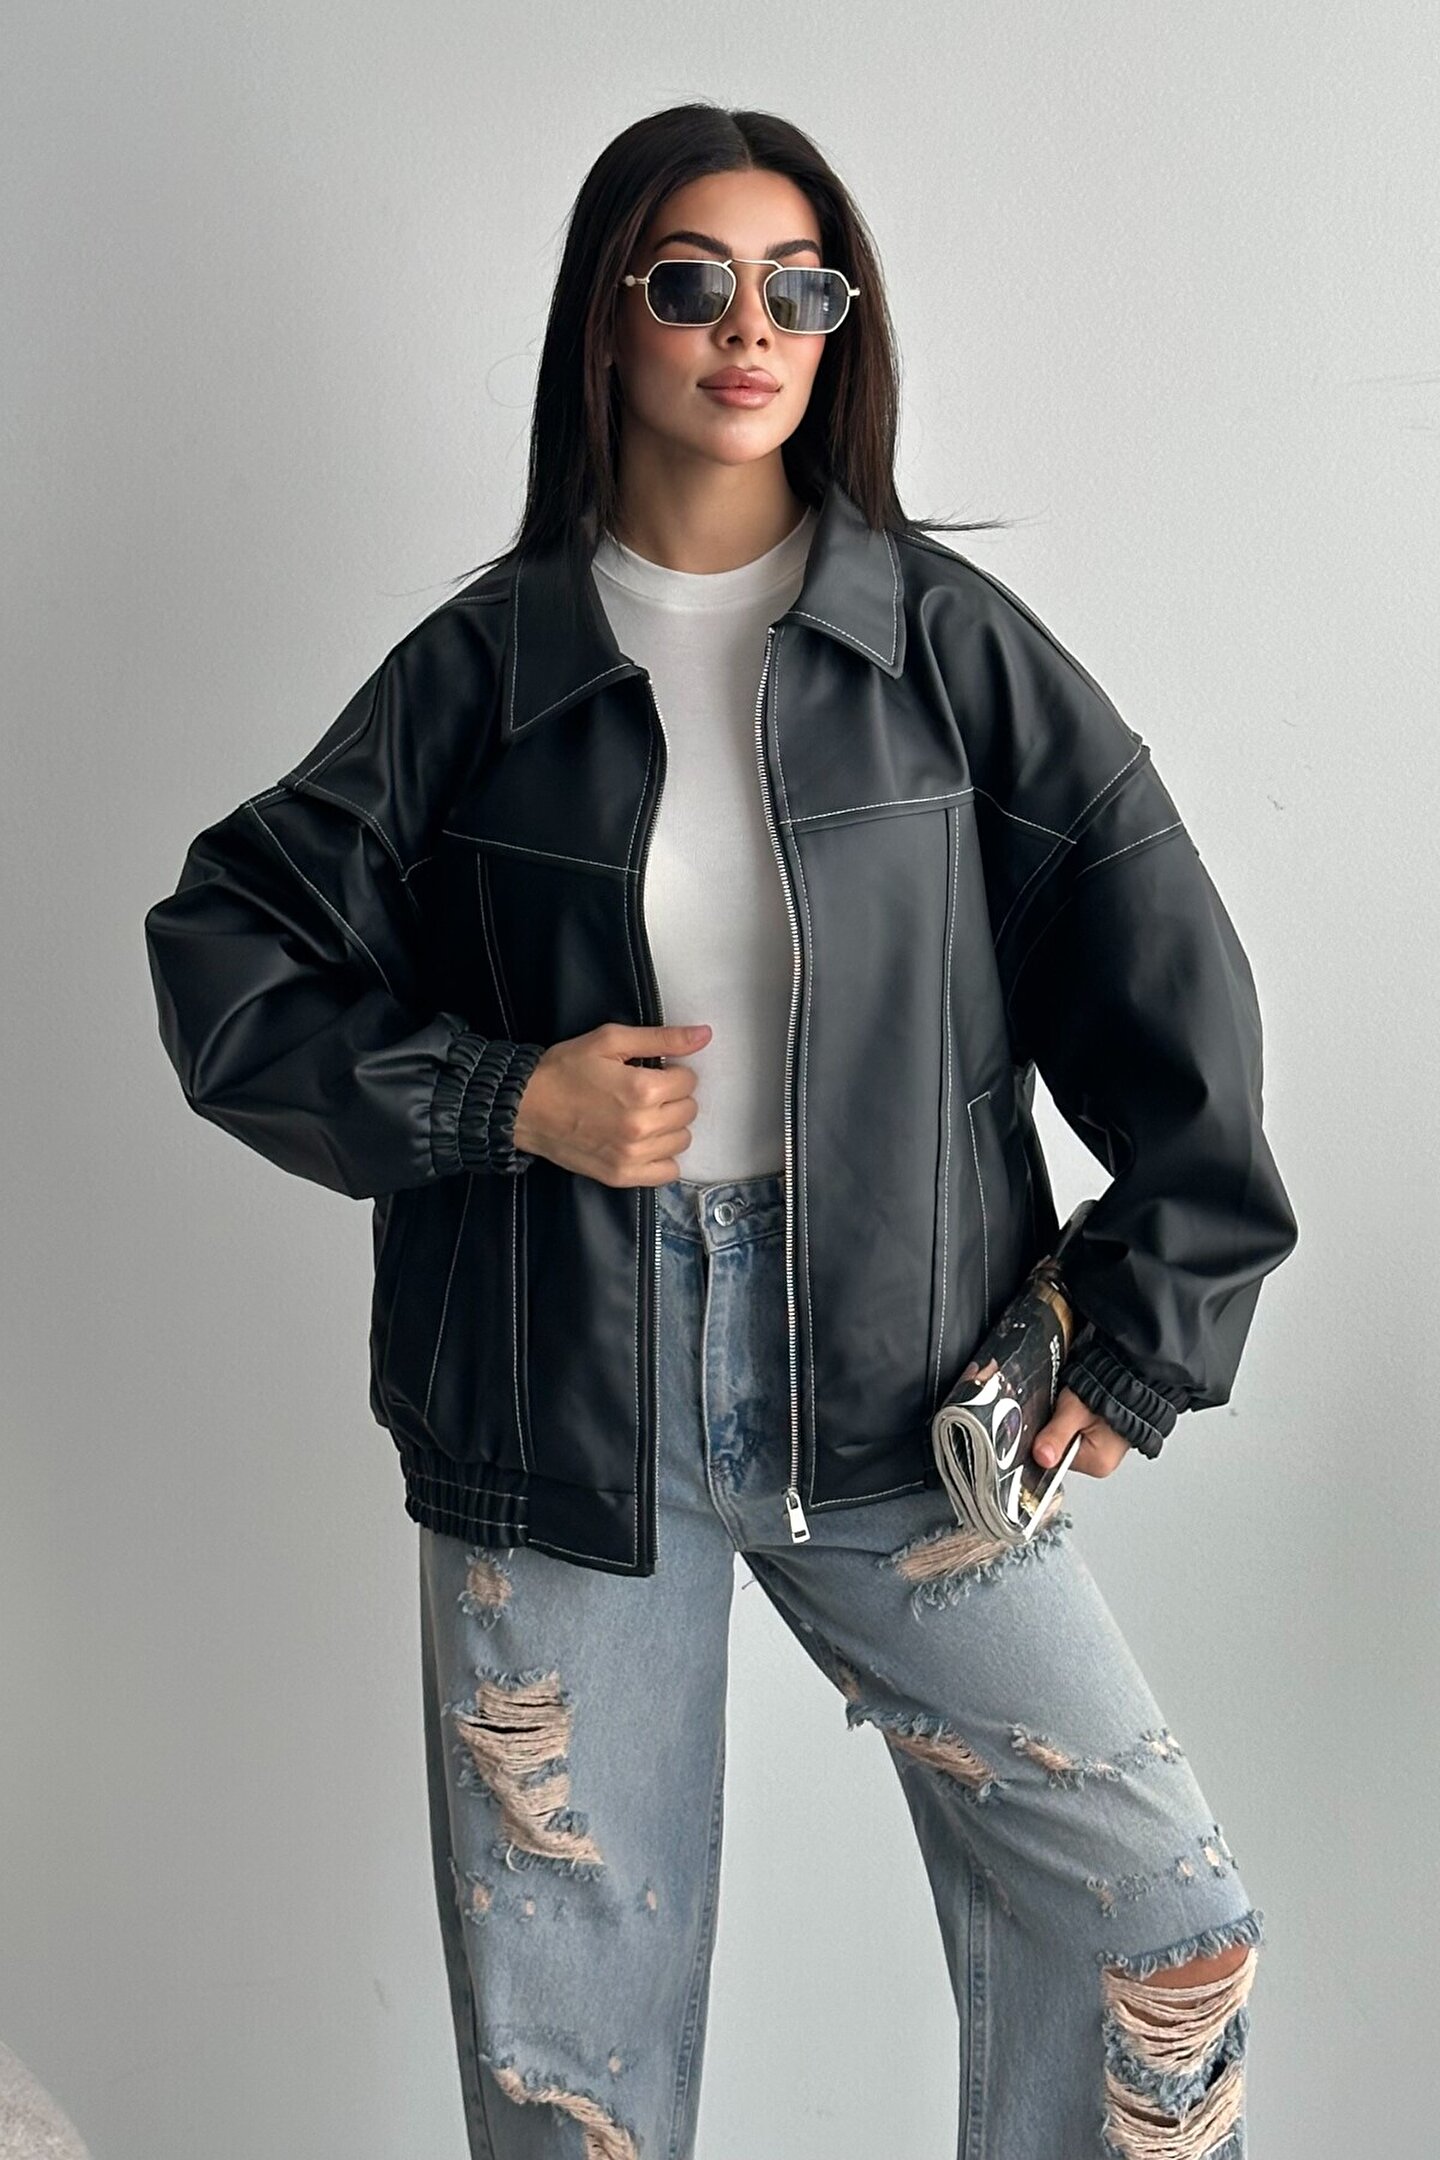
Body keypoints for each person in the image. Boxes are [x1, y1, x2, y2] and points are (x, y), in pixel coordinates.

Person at [144, 102, 1298, 2159]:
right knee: (573, 2072)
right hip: (556, 1399)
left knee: (1156, 1925)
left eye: (799, 286)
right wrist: (507, 1094)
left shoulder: (943, 648)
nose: (749, 328)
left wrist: (1146, 1327)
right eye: (692, 281)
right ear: (607, 322)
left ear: (842, 327)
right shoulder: (483, 673)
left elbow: (1165, 972)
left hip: (907, 1387)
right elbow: (229, 958)